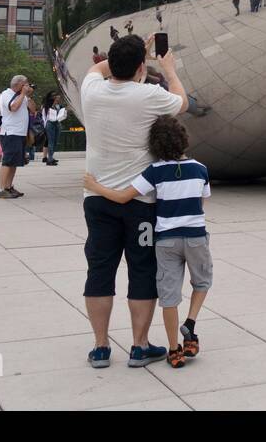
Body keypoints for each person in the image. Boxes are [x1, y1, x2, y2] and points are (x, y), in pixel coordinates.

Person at [79, 34, 188, 369]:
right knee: (142, 269)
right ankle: (139, 345)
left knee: (99, 269)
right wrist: (167, 68)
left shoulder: (91, 90)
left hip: (96, 197)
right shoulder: (150, 96)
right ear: (142, 66)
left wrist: (131, 51)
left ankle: (100, 347)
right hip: (141, 200)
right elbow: (182, 102)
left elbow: (98, 68)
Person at [83, 116, 211, 369]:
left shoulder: (154, 171)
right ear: (184, 139)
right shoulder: (200, 168)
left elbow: (122, 197)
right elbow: (201, 201)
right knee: (199, 281)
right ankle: (182, 328)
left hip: (165, 239)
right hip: (192, 235)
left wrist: (95, 186)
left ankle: (168, 348)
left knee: (166, 294)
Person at [0, 75, 34, 199]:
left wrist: (28, 96)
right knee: (7, 161)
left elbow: (33, 110)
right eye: (26, 84)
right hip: (11, 132)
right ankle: (2, 189)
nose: (28, 86)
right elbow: (13, 108)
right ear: (19, 85)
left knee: (14, 162)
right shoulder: (6, 94)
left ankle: (9, 187)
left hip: (20, 133)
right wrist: (23, 94)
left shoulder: (22, 96)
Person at [41, 91, 68, 165]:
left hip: (57, 123)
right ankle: (49, 159)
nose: (58, 98)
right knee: (51, 141)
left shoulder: (58, 106)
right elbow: (45, 117)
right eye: (56, 96)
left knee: (55, 142)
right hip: (50, 124)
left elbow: (61, 115)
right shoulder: (46, 106)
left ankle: (51, 157)